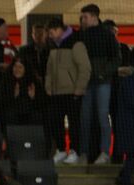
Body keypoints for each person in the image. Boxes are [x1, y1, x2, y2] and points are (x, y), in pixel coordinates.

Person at [44, 17, 90, 165]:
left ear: (59, 29)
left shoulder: (75, 42)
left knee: (74, 123)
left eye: (52, 32)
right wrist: (48, 87)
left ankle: (75, 151)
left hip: (72, 92)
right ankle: (61, 150)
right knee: (55, 122)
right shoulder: (53, 46)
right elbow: (49, 70)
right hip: (56, 93)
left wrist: (79, 89)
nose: (50, 35)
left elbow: (85, 68)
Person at [76, 4, 119, 164]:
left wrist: (103, 73)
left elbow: (116, 58)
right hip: (88, 82)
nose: (83, 20)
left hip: (102, 82)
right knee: (85, 118)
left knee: (102, 116)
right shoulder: (82, 35)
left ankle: (104, 152)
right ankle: (85, 152)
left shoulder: (107, 35)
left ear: (94, 17)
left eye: (85, 17)